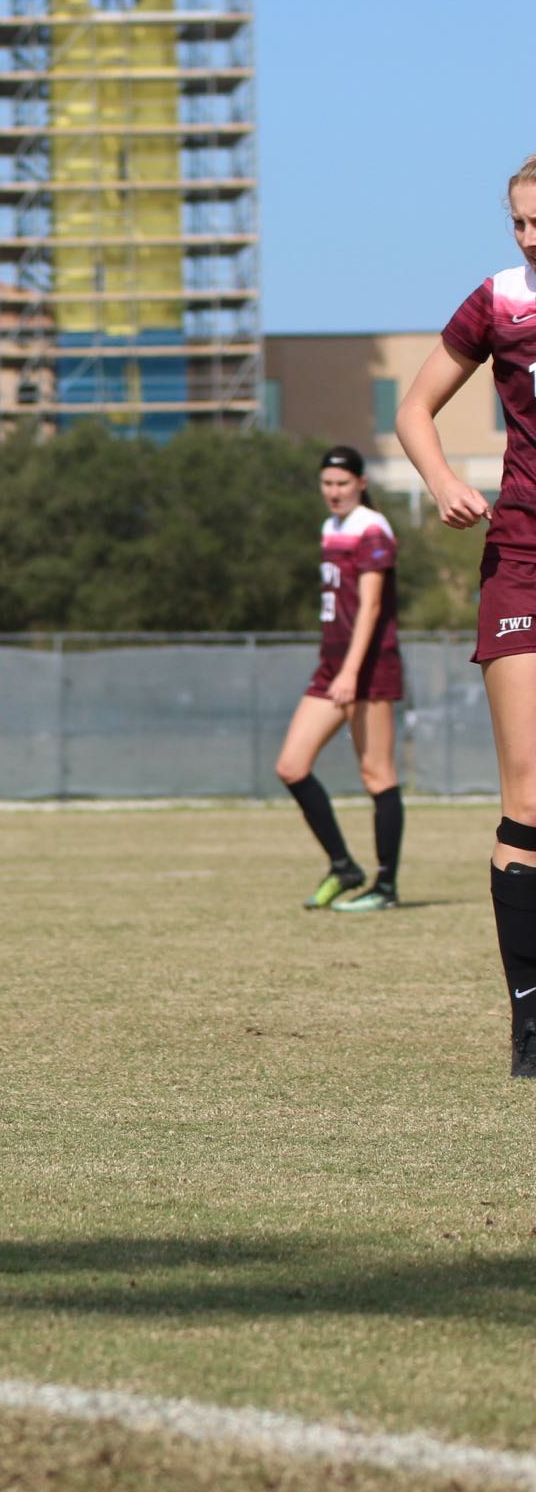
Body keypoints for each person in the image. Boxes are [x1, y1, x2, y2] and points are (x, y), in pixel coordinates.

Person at [394, 153, 536, 1074]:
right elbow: (415, 407)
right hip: (522, 560)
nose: (530, 237)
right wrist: (443, 478)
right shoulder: (499, 300)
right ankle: (531, 1022)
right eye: (520, 222)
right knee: (529, 794)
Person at [271, 445, 406, 913]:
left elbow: (370, 607)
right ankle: (343, 866)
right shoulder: (331, 528)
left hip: (367, 667)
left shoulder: (373, 528)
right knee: (291, 766)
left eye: (342, 483)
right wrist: (337, 669)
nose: (333, 491)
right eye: (327, 483)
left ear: (361, 484)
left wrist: (350, 671)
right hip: (332, 667)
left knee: (377, 774)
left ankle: (385, 886)